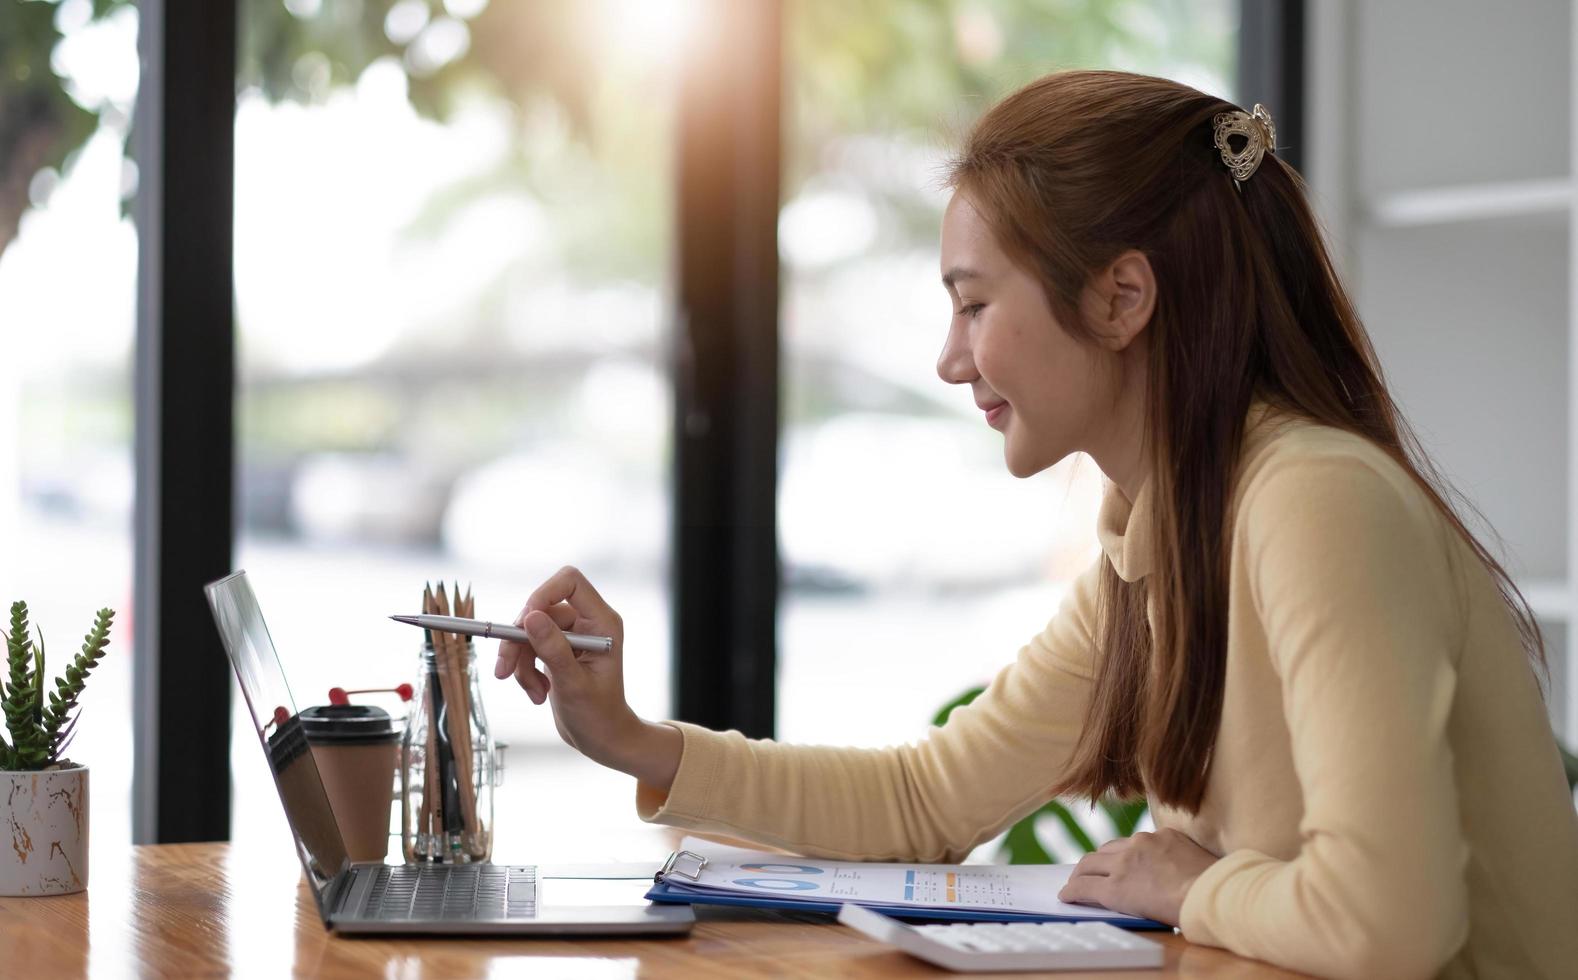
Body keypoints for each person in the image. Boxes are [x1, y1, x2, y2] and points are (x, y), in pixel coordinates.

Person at [492, 70, 1578, 979]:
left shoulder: (1312, 498)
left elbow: (1389, 921)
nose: (949, 357)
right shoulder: (1163, 539)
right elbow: (928, 797)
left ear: (1121, 298)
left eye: (973, 303)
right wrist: (630, 735)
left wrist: (1197, 884)